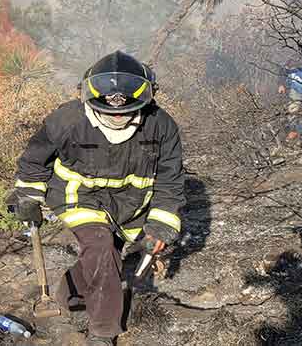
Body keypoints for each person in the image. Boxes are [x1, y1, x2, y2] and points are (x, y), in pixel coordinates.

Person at [13, 51, 185, 346]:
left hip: (130, 206)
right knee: (101, 246)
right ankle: (103, 332)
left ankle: (68, 297)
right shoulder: (67, 119)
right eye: (109, 112)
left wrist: (161, 224)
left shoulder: (161, 126)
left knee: (105, 256)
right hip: (77, 195)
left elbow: (170, 181)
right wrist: (28, 196)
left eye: (125, 111)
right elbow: (34, 159)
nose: (117, 116)